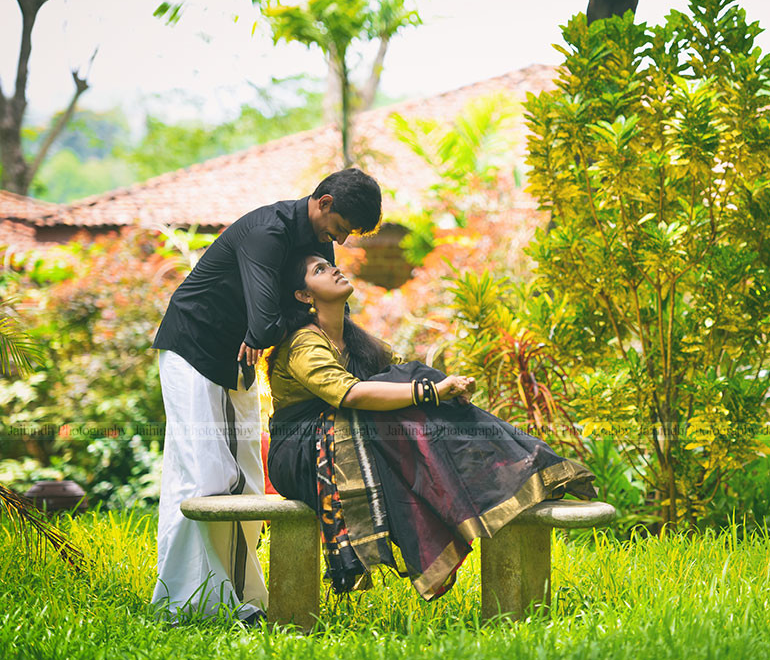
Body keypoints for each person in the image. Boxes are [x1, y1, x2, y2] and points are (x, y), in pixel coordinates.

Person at [264, 252, 597, 601]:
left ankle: (511, 471)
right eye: (319, 270)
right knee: (415, 386)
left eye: (330, 264)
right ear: (304, 296)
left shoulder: (354, 340)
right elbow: (349, 393)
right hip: (301, 456)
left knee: (413, 383)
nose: (334, 270)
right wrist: (432, 391)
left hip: (340, 438)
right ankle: (516, 468)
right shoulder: (303, 343)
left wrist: (444, 390)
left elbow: (401, 379)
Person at [150, 169, 383, 624]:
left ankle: (231, 599)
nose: (343, 239)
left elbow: (303, 314)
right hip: (196, 350)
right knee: (210, 480)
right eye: (343, 227)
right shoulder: (267, 232)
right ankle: (198, 604)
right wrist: (276, 326)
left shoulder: (317, 239)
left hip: (233, 363)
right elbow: (265, 320)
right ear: (326, 202)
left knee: (245, 483)